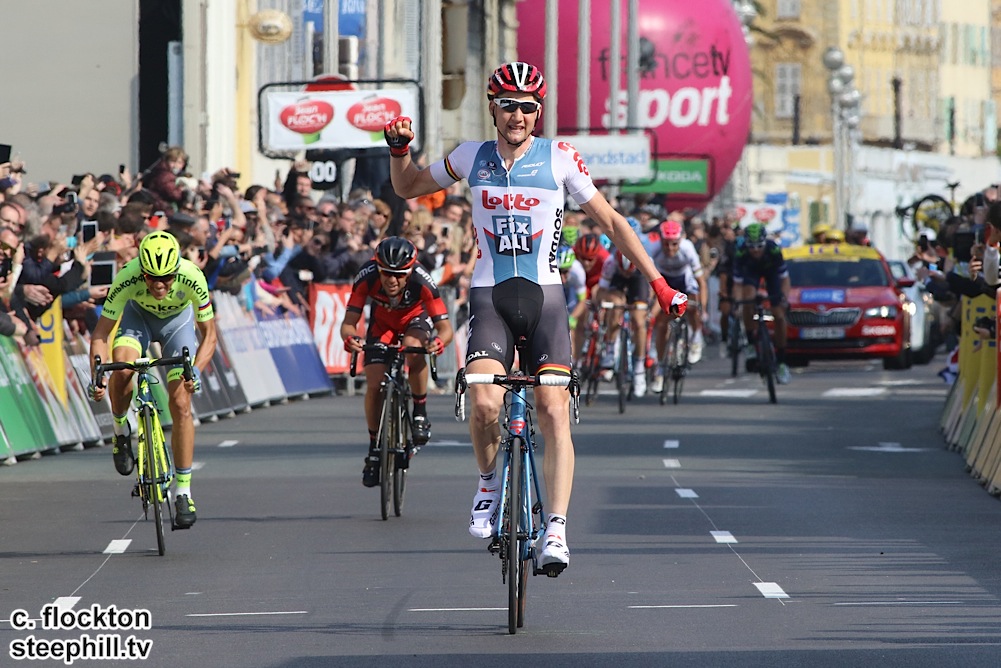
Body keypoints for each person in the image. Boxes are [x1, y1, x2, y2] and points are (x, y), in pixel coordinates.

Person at [383, 61, 687, 576]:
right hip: (490, 298)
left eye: (527, 107)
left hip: (545, 300)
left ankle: (557, 529)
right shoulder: (470, 156)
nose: (517, 115)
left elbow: (613, 222)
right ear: (493, 108)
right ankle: (488, 484)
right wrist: (398, 151)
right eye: (508, 105)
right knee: (484, 402)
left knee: (552, 409)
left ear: (538, 112)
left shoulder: (559, 157)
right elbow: (409, 186)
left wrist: (658, 283)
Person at [88, 231, 218, 529]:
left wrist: (196, 370)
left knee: (181, 403)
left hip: (178, 326)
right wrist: (97, 373)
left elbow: (209, 335)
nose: (159, 285)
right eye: (151, 278)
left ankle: (183, 492)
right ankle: (121, 431)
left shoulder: (193, 276)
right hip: (138, 321)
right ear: (141, 272)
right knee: (123, 369)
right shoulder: (127, 276)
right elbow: (100, 334)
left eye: (167, 278)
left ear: (177, 271)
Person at [341, 237, 454, 487]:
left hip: (415, 320)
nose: (392, 280)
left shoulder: (423, 281)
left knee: (414, 348)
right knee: (374, 383)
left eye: (399, 275)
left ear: (410, 272)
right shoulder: (366, 276)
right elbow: (348, 323)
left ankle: (420, 412)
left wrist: (437, 343)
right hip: (383, 324)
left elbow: (446, 329)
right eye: (386, 273)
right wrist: (350, 338)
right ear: (377, 268)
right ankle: (374, 447)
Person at [650, 219, 708, 393]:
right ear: (660, 241)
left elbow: (701, 282)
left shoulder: (688, 249)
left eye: (674, 244)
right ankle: (661, 367)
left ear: (680, 241)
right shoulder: (654, 250)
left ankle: (696, 337)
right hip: (665, 281)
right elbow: (649, 283)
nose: (670, 248)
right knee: (661, 324)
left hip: (684, 280)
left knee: (693, 306)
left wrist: (703, 308)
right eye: (666, 244)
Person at [732, 222, 791, 384]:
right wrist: (738, 302)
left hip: (771, 273)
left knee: (779, 315)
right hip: (750, 273)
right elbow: (738, 285)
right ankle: (751, 342)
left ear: (765, 242)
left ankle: (782, 361)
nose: (756, 250)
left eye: (759, 245)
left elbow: (785, 279)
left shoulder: (773, 249)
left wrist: (784, 298)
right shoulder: (741, 252)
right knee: (748, 299)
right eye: (752, 246)